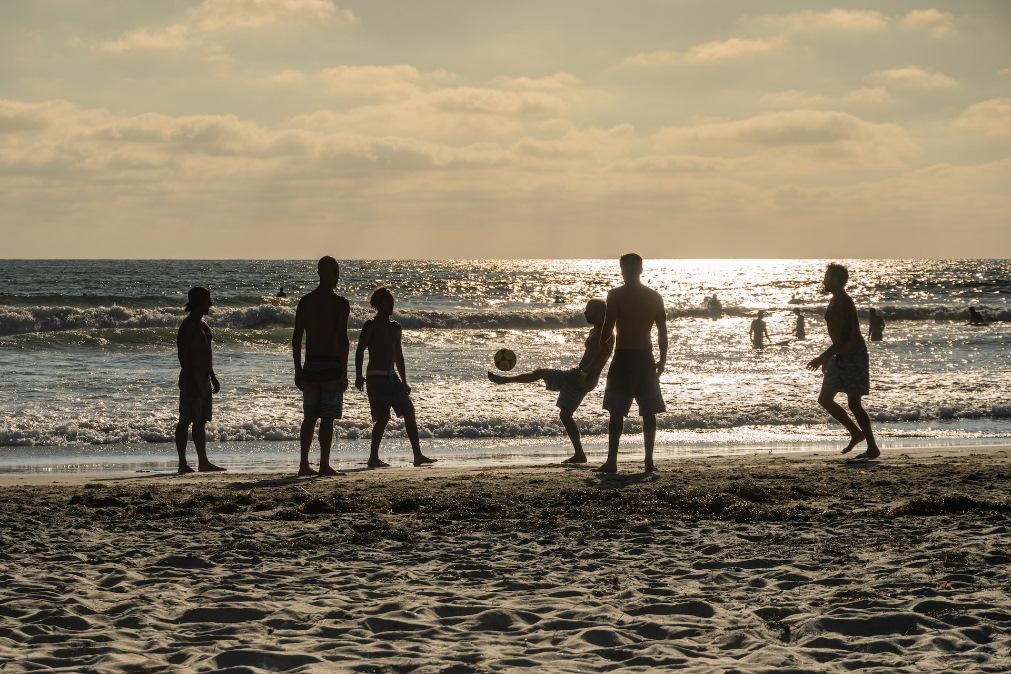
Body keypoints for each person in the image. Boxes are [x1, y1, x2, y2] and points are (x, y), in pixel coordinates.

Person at [488, 299, 614, 464]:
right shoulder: (596, 331)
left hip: (583, 378)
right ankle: (579, 454)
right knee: (564, 413)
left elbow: (603, 357)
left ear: (598, 312)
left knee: (543, 377)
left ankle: (504, 380)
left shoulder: (606, 333)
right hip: (579, 374)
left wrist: (584, 373)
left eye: (588, 310)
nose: (585, 313)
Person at [595, 253, 667, 474]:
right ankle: (647, 460)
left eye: (624, 269)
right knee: (648, 412)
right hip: (644, 357)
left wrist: (600, 352)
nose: (624, 273)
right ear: (641, 270)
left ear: (624, 270)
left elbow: (608, 327)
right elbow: (662, 333)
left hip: (625, 356)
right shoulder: (654, 297)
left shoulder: (616, 295)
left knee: (618, 411)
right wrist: (662, 359)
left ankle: (612, 461)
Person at [355, 287, 436, 468]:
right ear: (378, 304)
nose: (391, 304)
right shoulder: (371, 325)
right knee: (382, 418)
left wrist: (404, 380)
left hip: (392, 378)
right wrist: (358, 375)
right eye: (387, 301)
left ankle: (417, 455)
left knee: (409, 411)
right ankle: (373, 457)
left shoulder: (395, 327)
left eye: (392, 301)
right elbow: (359, 351)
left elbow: (398, 356)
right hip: (376, 378)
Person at [806, 263, 881, 462]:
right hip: (840, 356)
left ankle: (872, 447)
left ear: (838, 280)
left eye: (828, 277)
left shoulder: (845, 301)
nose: (825, 279)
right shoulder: (835, 300)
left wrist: (824, 356)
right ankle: (856, 433)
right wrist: (830, 356)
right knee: (825, 399)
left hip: (854, 355)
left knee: (854, 403)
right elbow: (839, 337)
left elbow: (846, 337)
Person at [292, 257, 349, 476]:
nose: (336, 277)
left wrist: (299, 368)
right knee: (321, 417)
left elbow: (298, 338)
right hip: (327, 364)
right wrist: (344, 371)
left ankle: (310, 464)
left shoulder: (307, 302)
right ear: (322, 274)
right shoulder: (338, 304)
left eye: (336, 272)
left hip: (314, 363)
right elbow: (342, 340)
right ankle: (315, 464)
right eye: (333, 272)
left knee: (317, 417)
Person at [175, 287, 224, 474]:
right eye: (208, 301)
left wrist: (213, 377)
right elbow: (183, 356)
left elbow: (206, 355)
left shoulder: (204, 326)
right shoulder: (187, 327)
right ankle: (182, 463)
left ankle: (203, 462)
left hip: (204, 378)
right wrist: (192, 379)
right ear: (199, 303)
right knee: (185, 420)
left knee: (201, 421)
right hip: (191, 379)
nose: (211, 304)